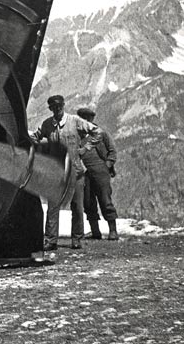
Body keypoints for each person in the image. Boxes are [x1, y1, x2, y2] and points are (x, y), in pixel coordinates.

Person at [30, 95, 102, 251]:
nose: (57, 109)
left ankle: (77, 239)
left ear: (63, 105)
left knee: (77, 207)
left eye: (59, 106)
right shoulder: (47, 124)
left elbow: (97, 132)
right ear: (50, 109)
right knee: (53, 207)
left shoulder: (75, 121)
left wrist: (86, 148)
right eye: (54, 107)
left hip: (75, 171)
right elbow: (35, 137)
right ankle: (50, 240)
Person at [76, 107, 119, 240]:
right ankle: (96, 232)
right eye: (83, 118)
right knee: (88, 202)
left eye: (88, 118)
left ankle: (113, 231)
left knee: (105, 200)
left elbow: (112, 151)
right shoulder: (77, 136)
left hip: (100, 171)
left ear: (91, 119)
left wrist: (107, 165)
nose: (85, 120)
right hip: (84, 172)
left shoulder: (101, 133)